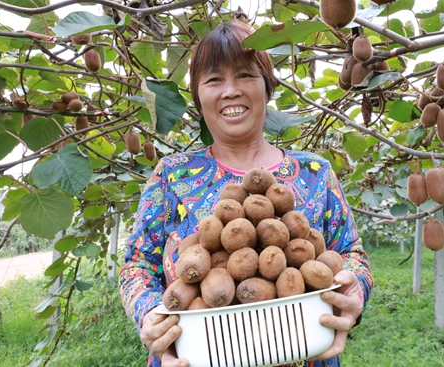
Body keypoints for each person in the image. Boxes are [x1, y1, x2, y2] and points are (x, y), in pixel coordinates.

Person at [119, 20, 373, 367]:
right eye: (213, 79)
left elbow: (351, 253)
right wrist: (149, 315)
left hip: (303, 350)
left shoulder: (315, 172)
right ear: (198, 96)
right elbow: (136, 263)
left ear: (268, 87)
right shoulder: (171, 175)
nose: (230, 91)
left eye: (244, 75)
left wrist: (354, 289)